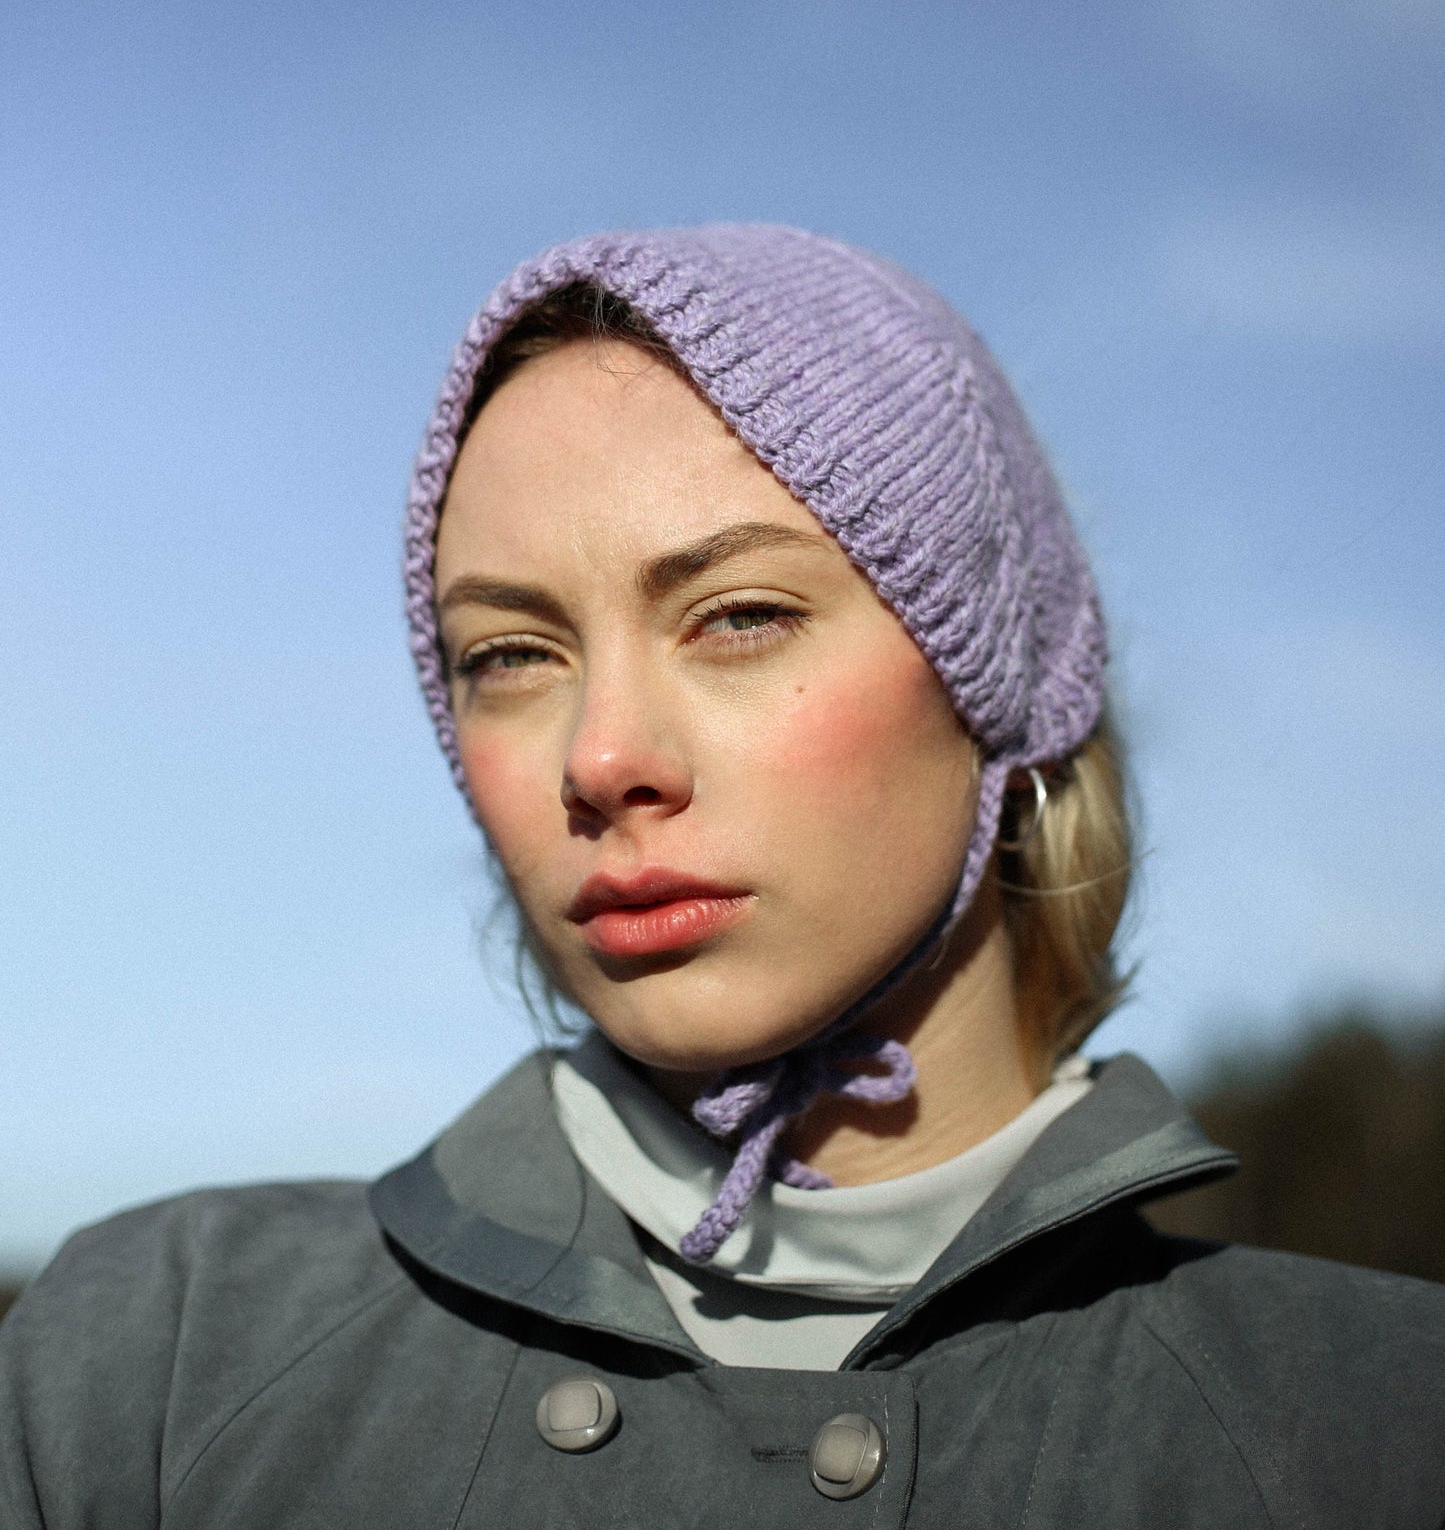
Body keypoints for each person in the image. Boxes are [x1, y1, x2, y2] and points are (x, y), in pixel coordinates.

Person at [3, 223, 1442, 1528]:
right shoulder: (153, 1362)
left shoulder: (1378, 1426)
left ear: (990, 679)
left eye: (739, 615)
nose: (602, 756)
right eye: (509, 654)